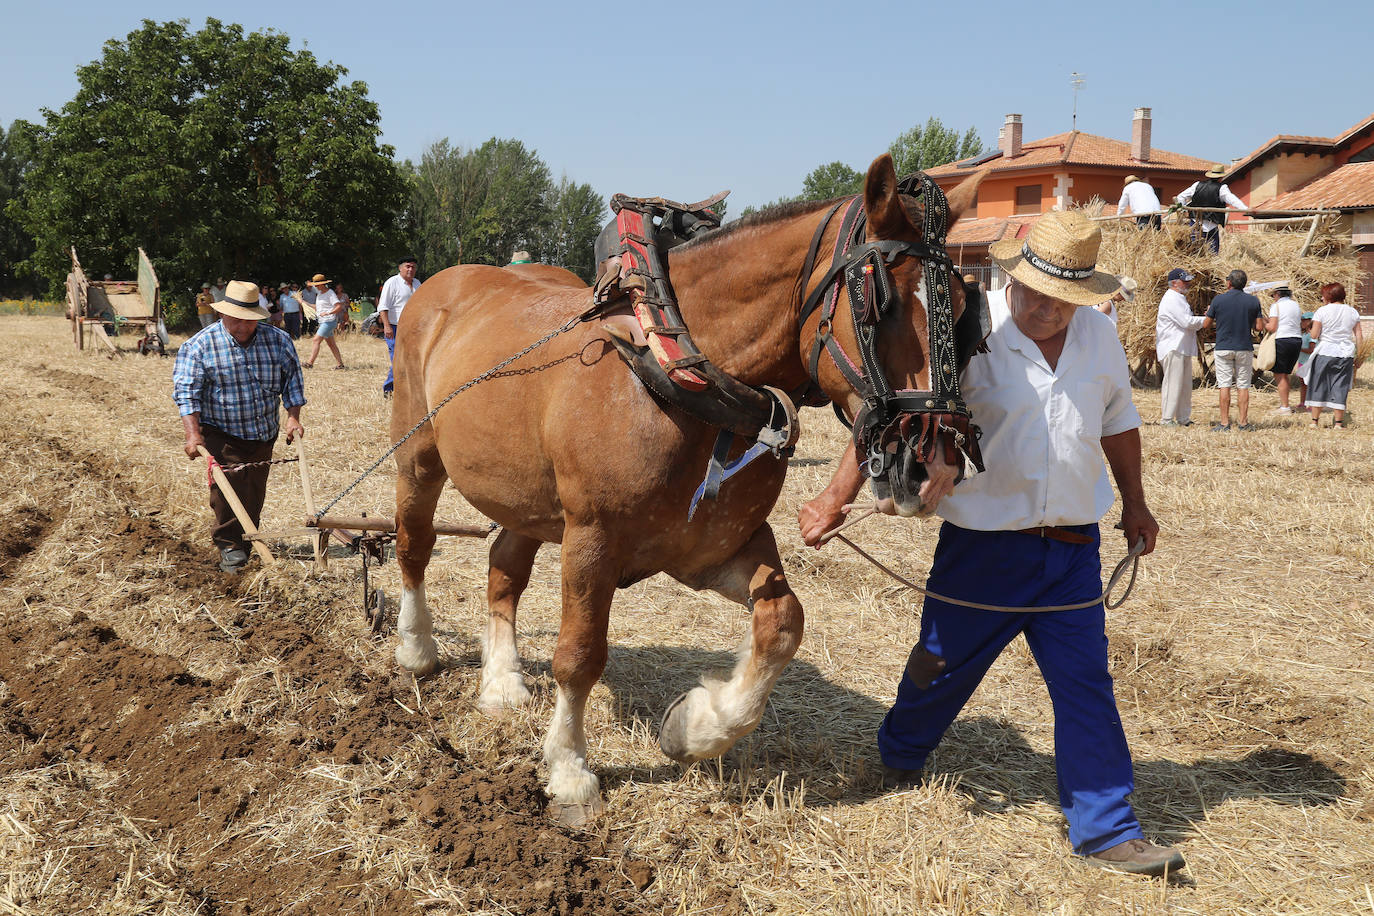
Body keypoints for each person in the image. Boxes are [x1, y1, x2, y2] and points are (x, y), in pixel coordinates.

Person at [798, 210, 1180, 877]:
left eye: (1062, 300)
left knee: (1086, 684)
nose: (1045, 308)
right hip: (983, 551)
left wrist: (1137, 504)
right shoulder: (966, 329)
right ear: (1016, 277)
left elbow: (1118, 421)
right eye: (1034, 291)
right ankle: (900, 753)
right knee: (939, 666)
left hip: (1070, 553)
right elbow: (892, 411)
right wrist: (836, 496)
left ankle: (1106, 827)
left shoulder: (1100, 338)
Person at [172, 281, 305, 572]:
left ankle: (247, 538)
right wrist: (193, 434)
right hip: (221, 431)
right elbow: (186, 393)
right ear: (222, 315)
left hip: (262, 431)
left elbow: (292, 383)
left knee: (254, 490)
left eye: (250, 321)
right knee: (227, 490)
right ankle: (230, 546)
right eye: (236, 320)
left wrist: (293, 417)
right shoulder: (199, 346)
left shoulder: (278, 340)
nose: (243, 327)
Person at [1204, 269, 1264, 431]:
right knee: (1243, 386)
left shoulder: (1218, 300)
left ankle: (1224, 423)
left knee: (1224, 386)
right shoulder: (1253, 301)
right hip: (1244, 347)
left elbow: (1206, 325)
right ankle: (1243, 423)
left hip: (1223, 346)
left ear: (1229, 282)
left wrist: (1210, 313)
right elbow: (1259, 327)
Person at [1307, 282, 1365, 429]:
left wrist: (1309, 330)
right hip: (1345, 353)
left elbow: (1314, 334)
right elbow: (1358, 335)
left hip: (1325, 351)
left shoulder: (1322, 311)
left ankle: (1314, 421)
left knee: (1319, 384)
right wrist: (1360, 355)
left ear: (1329, 296)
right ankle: (1338, 423)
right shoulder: (1352, 312)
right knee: (1340, 386)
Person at [1155, 268, 1207, 427]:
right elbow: (1186, 322)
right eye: (1185, 281)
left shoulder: (1178, 298)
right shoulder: (1171, 298)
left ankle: (1183, 418)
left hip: (1181, 347)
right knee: (1173, 384)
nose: (1188, 284)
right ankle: (1167, 419)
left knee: (1184, 386)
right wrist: (1206, 320)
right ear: (1174, 283)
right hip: (1173, 346)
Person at [1175, 165, 1247, 253]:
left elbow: (1180, 197)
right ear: (1221, 177)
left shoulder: (1197, 185)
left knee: (1193, 251)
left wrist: (1183, 210)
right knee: (1212, 253)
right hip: (1211, 225)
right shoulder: (1222, 188)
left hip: (1195, 224)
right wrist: (1245, 209)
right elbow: (1233, 200)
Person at [377, 255, 422, 395]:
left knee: (411, 359)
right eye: (407, 266)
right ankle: (389, 389)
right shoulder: (392, 283)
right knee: (397, 359)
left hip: (412, 328)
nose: (410, 269)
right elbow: (383, 306)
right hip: (395, 327)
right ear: (400, 268)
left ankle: (407, 388)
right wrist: (387, 326)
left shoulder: (417, 284)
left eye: (413, 267)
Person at [1266, 287, 1304, 413]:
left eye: (1273, 295)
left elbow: (1272, 327)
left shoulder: (1276, 306)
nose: (1273, 298)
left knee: (1279, 375)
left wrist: (1261, 322)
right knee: (1285, 374)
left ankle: (1285, 406)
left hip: (1282, 340)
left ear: (1277, 294)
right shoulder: (1295, 305)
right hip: (1296, 340)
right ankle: (1285, 404)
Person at [303, 273, 346, 370]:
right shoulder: (319, 294)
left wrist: (328, 313)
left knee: (316, 340)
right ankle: (340, 364)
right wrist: (305, 303)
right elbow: (318, 308)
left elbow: (338, 306)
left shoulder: (330, 293)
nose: (316, 287)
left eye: (317, 285)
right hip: (323, 321)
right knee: (331, 344)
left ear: (322, 284)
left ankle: (310, 363)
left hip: (329, 321)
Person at [1294, 311, 1316, 410]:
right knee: (1303, 383)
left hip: (1309, 363)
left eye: (1304, 320)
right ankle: (1303, 402)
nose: (1301, 322)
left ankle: (1311, 404)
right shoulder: (1304, 334)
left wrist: (1298, 349)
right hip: (1302, 362)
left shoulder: (1312, 335)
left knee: (1310, 384)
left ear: (1310, 321)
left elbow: (1311, 350)